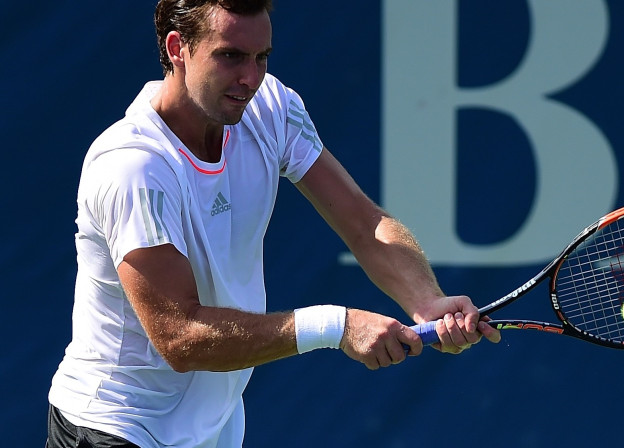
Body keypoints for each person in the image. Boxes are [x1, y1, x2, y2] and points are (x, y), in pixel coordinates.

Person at [46, 0, 501, 447]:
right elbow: (180, 336)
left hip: (214, 428)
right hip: (114, 429)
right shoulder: (134, 168)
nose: (250, 78)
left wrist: (426, 299)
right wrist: (335, 326)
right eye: (230, 56)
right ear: (177, 48)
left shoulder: (270, 108)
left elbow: (363, 222)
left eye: (261, 57)